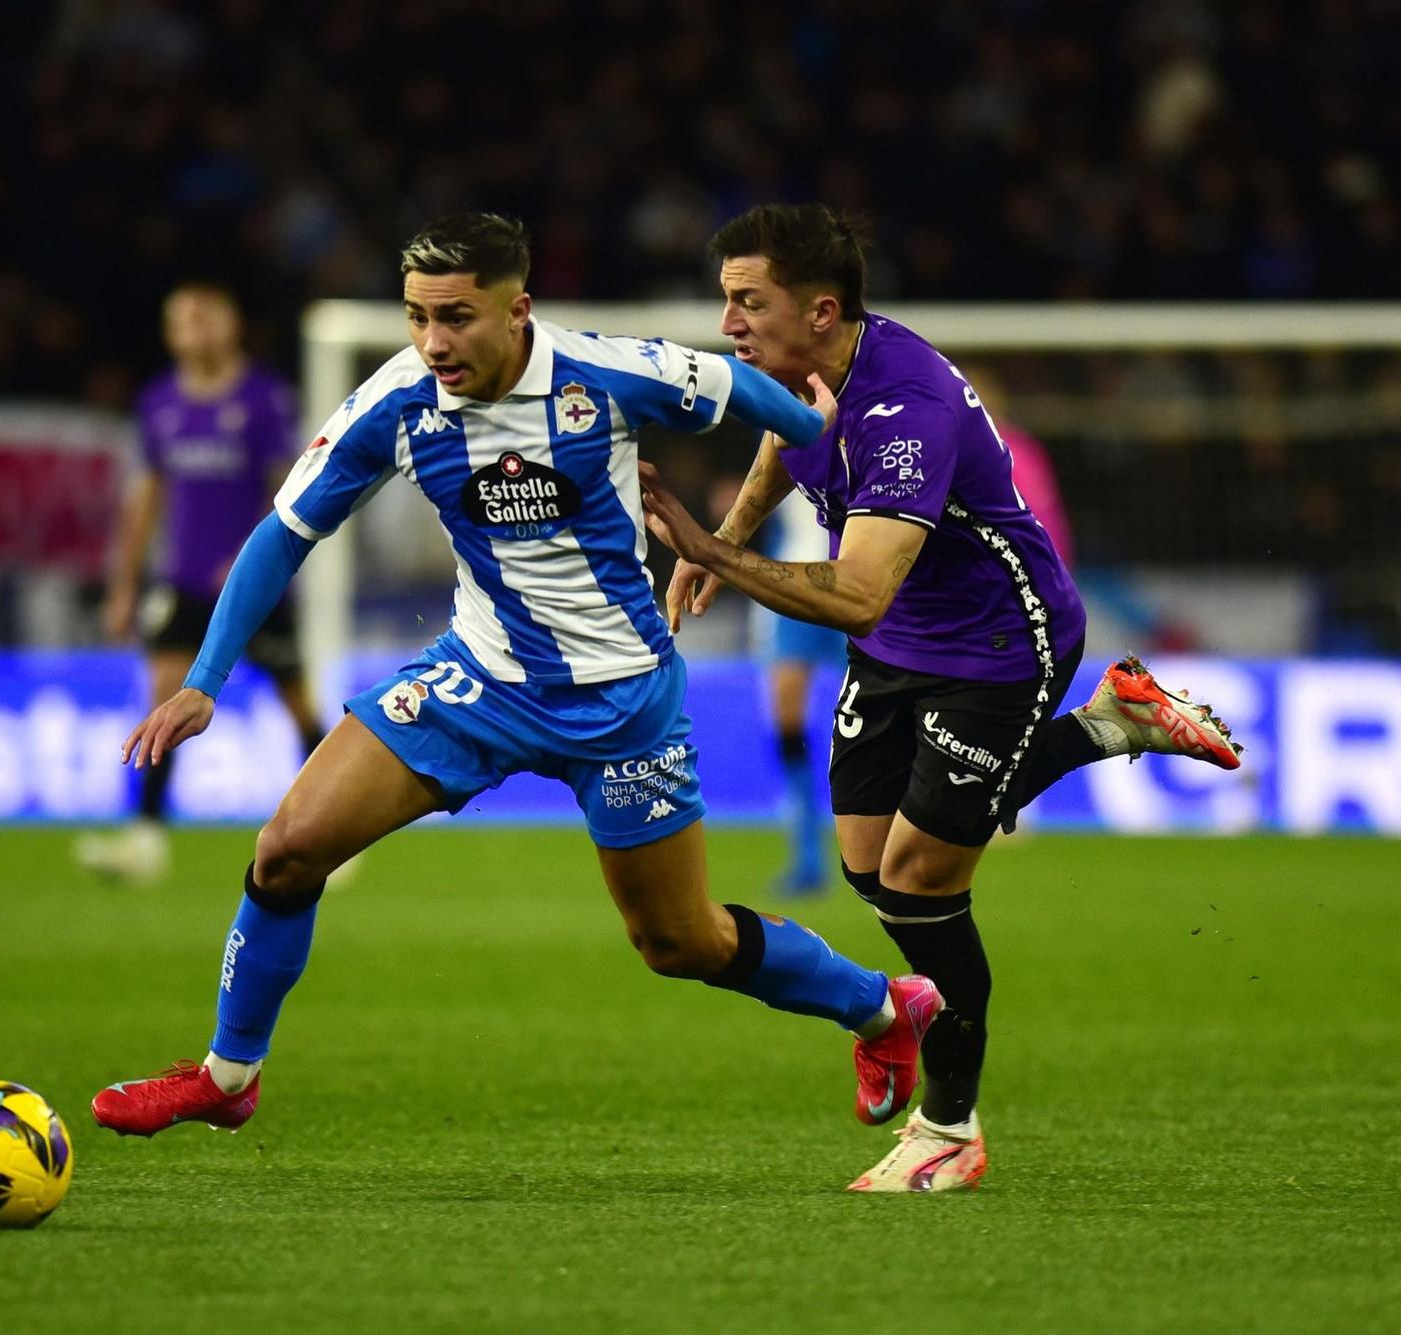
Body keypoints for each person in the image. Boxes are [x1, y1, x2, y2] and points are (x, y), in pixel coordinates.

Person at [88, 213, 948, 1163]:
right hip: (480, 680)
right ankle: (227, 1077)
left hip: (623, 704)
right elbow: (286, 531)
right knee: (289, 848)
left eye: (457, 317)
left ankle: (880, 1007)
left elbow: (748, 390)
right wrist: (204, 679)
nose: (433, 343)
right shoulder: (398, 401)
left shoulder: (611, 373)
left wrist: (809, 434)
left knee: (679, 943)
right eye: (418, 318)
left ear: (518, 310)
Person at [644, 203, 1242, 1193]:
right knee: (866, 867)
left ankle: (949, 1127)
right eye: (726, 301)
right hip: (895, 644)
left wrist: (712, 553)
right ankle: (1110, 724)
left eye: (748, 301)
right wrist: (737, 536)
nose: (728, 324)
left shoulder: (901, 412)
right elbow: (776, 441)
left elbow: (861, 588)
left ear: (821, 310)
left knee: (923, 882)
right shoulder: (800, 374)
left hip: (998, 643)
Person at [79, 280, 328, 883]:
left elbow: (285, 490)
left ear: (231, 325)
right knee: (163, 694)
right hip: (183, 582)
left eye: (205, 316)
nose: (194, 328)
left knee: (296, 704)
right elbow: (146, 498)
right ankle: (145, 838)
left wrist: (250, 555)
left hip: (255, 584)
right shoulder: (159, 402)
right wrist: (124, 585)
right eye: (182, 319)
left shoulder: (265, 398)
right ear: (169, 335)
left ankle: (333, 827)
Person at [754, 486, 845, 895]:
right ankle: (808, 857)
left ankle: (894, 851)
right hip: (795, 576)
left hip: (855, 577)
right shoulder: (778, 427)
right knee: (785, 714)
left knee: (884, 708)